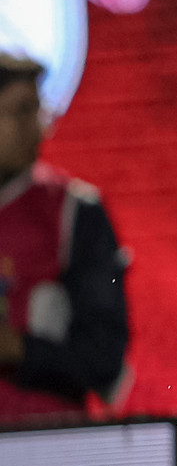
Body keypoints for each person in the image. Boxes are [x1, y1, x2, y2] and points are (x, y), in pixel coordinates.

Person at [0, 54, 131, 424]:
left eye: (38, 111)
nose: (38, 128)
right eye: (20, 112)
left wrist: (18, 349)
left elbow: (104, 359)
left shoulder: (74, 213)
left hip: (49, 447)